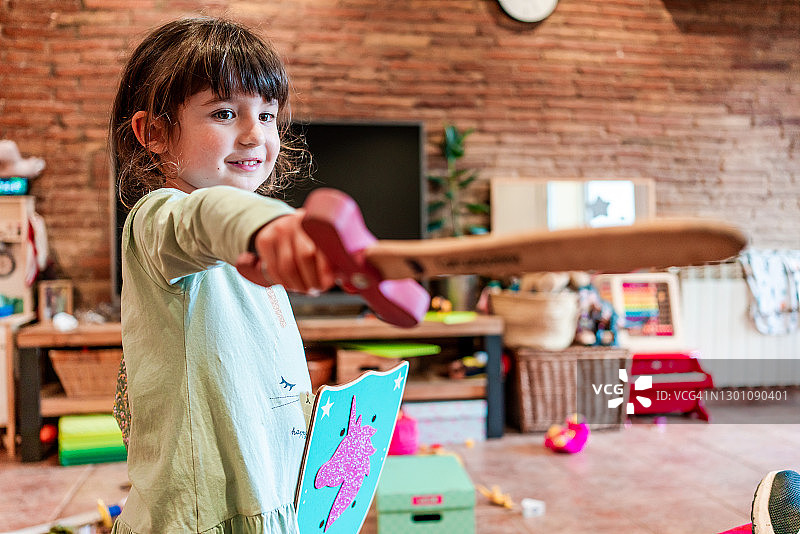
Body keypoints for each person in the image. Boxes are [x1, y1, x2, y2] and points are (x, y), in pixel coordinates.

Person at [109, 16, 335, 533]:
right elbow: (205, 218)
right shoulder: (159, 221)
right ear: (155, 134)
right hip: (205, 514)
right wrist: (270, 223)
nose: (256, 134)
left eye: (268, 114)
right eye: (225, 112)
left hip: (267, 493)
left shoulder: (248, 239)